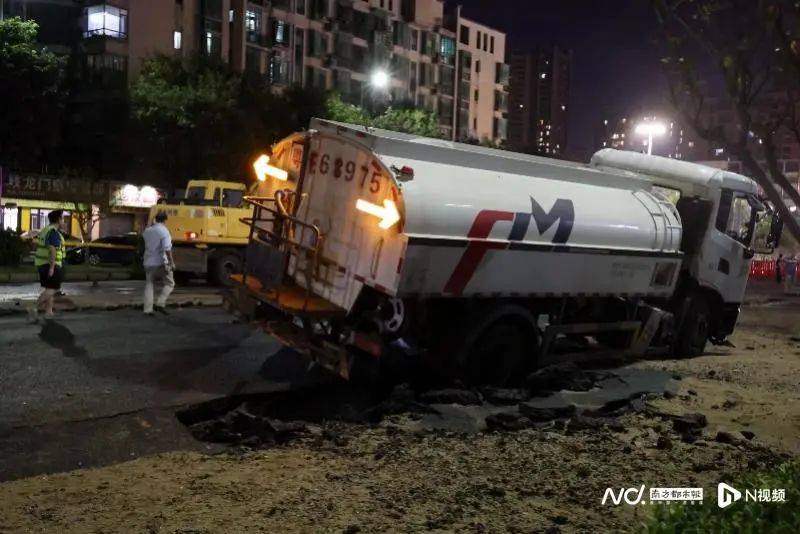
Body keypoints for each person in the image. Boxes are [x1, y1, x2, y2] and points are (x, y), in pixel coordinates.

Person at [29, 210, 66, 322]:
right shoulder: (53, 232)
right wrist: (52, 267)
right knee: (54, 289)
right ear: (58, 220)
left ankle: (49, 312)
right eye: (63, 218)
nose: (64, 221)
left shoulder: (46, 230)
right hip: (50, 264)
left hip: (42, 263)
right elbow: (52, 250)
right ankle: (34, 307)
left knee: (49, 288)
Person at [142, 211, 176, 315]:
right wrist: (171, 262)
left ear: (155, 219)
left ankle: (147, 310)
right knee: (170, 283)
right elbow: (167, 248)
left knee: (149, 284)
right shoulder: (164, 231)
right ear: (165, 220)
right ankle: (160, 303)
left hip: (148, 261)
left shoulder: (147, 231)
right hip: (160, 262)